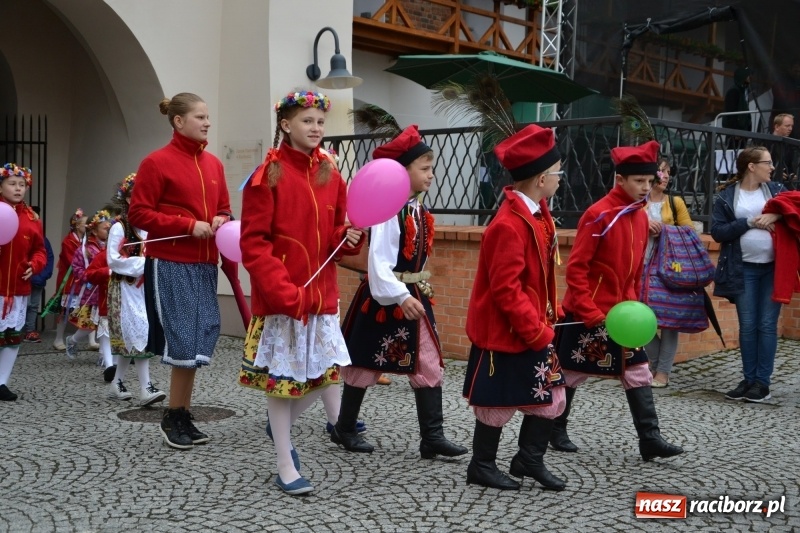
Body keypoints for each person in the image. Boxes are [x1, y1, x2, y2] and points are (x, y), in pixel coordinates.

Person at [237, 90, 364, 495]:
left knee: (327, 376)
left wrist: (349, 238)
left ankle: (281, 431)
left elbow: (334, 237)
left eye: (320, 122)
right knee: (283, 383)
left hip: (321, 298)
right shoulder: (266, 176)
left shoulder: (331, 174)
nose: (316, 128)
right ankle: (284, 462)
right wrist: (285, 294)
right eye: (307, 121)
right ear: (286, 125)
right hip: (285, 301)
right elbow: (254, 244)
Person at [335, 125, 468, 461]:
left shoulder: (415, 209)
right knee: (365, 364)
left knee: (427, 360)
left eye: (431, 168)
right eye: (424, 168)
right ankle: (345, 428)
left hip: (413, 294)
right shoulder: (387, 211)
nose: (432, 175)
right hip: (386, 299)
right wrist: (401, 295)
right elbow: (378, 264)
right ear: (401, 171)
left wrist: (413, 290)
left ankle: (432, 437)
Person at [552, 140, 684, 462]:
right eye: (639, 181)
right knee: (570, 372)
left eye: (650, 182)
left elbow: (636, 271)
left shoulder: (640, 217)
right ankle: (553, 430)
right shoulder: (597, 215)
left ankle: (649, 439)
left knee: (638, 370)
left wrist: (635, 307)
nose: (645, 188)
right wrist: (588, 310)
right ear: (620, 179)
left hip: (623, 315)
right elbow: (577, 269)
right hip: (590, 313)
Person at [462, 124, 567, 491]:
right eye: (557, 173)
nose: (559, 179)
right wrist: (536, 330)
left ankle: (528, 458)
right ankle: (482, 465)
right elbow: (507, 290)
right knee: (498, 403)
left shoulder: (536, 213)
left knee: (551, 394)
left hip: (533, 325)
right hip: (511, 331)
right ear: (541, 178)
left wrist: (551, 311)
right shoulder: (508, 224)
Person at [128, 92, 231, 449]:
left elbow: (226, 211)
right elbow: (139, 214)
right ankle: (173, 416)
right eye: (200, 117)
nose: (207, 122)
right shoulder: (156, 163)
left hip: (205, 264)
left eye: (207, 116)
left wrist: (221, 219)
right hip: (171, 262)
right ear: (178, 121)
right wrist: (189, 225)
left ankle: (182, 414)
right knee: (185, 341)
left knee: (201, 339)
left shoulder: (215, 165)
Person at [711, 146, 786, 403]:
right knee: (748, 326)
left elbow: (795, 214)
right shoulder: (726, 196)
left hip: (773, 268)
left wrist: (775, 214)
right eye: (768, 162)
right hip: (742, 269)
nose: (772, 167)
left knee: (766, 325)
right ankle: (748, 379)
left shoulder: (777, 191)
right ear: (752, 166)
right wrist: (749, 222)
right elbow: (718, 232)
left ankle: (762, 384)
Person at [106, 173, 166, 406]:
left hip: (145, 290)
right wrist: (145, 264)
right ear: (129, 199)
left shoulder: (151, 228)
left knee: (135, 335)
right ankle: (145, 387)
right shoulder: (120, 227)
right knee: (140, 333)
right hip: (125, 288)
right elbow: (113, 260)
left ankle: (117, 382)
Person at [641, 158, 693, 387]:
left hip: (669, 268)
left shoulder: (675, 202)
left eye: (669, 171)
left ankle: (662, 372)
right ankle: (654, 363)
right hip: (639, 266)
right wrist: (643, 224)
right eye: (662, 170)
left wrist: (664, 229)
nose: (666, 175)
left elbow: (689, 231)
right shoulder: (636, 202)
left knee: (670, 320)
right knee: (642, 317)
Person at [0, 163, 47, 401]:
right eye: (12, 184)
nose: (18, 189)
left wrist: (35, 265)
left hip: (18, 288)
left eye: (22, 185)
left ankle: (1, 382)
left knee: (12, 337)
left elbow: (40, 250)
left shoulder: (32, 219)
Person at [65, 210, 113, 362]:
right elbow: (78, 270)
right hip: (92, 293)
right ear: (94, 230)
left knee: (106, 325)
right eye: (105, 229)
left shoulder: (112, 248)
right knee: (88, 326)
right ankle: (72, 340)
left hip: (108, 292)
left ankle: (104, 357)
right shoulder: (85, 250)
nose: (108, 231)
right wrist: (90, 277)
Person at [52, 208, 87, 351]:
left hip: (84, 279)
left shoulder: (86, 241)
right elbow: (72, 261)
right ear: (78, 225)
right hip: (71, 280)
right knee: (65, 310)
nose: (88, 226)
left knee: (90, 308)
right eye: (86, 224)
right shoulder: (68, 241)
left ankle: (91, 340)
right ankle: (58, 338)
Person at [22, 206, 54, 343]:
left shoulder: (44, 240)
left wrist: (43, 275)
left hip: (38, 278)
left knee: (33, 305)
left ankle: (30, 330)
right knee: (24, 304)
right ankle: (18, 329)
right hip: (25, 278)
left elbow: (49, 258)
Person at [723, 67, 752, 149]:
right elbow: (731, 113)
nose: (749, 78)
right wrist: (735, 131)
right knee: (733, 153)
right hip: (735, 133)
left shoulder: (743, 92)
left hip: (742, 132)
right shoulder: (733, 92)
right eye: (747, 76)